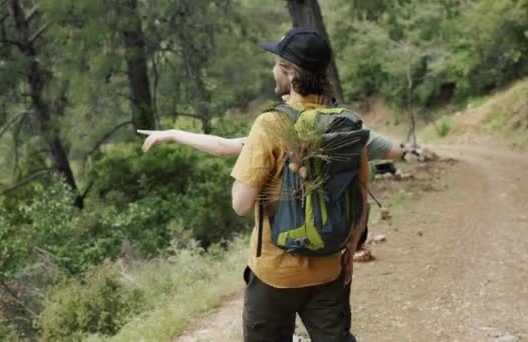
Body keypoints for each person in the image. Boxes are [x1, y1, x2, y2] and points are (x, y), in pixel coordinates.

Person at [139, 29, 404, 342]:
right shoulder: (347, 124)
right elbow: (361, 195)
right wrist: (349, 253)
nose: (272, 70)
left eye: (277, 64)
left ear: (291, 74)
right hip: (330, 267)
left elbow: (240, 203)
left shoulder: (271, 124)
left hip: (275, 273)